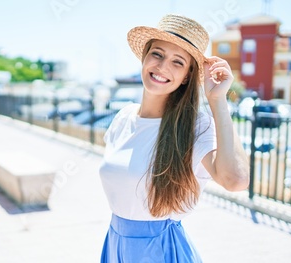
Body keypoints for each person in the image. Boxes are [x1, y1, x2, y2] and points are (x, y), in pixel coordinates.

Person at [99, 14, 249, 262]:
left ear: (187, 76)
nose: (162, 66)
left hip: (160, 250)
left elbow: (235, 180)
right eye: (157, 54)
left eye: (177, 62)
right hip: (116, 243)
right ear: (145, 56)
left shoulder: (194, 127)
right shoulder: (123, 118)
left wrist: (217, 101)